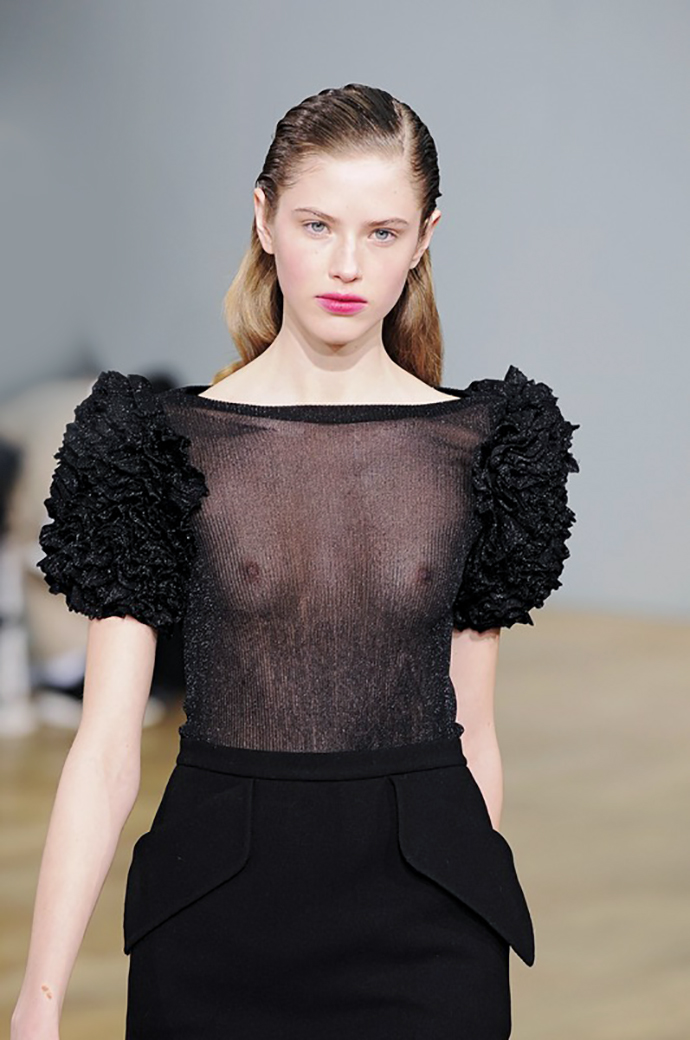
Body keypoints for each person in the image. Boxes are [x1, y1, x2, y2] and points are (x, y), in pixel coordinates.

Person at [11, 83, 579, 1040]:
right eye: (318, 224)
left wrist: (471, 893)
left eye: (383, 232)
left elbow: (474, 732)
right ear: (264, 218)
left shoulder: (484, 448)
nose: (348, 265)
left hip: (428, 932)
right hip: (213, 915)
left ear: (425, 238)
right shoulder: (156, 443)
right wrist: (40, 997)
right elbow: (105, 749)